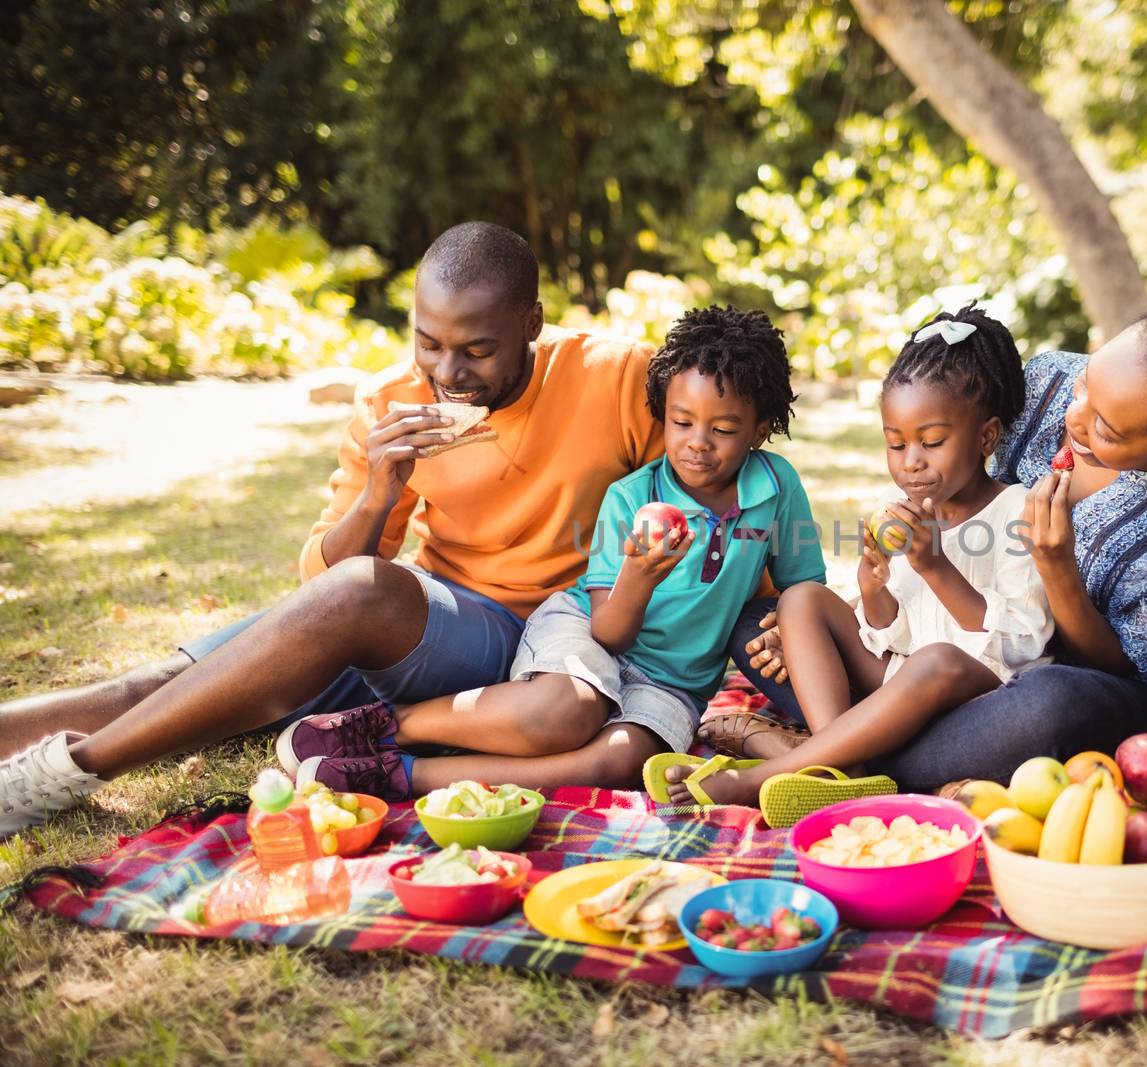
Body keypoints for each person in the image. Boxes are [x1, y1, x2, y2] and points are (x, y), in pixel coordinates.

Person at [0, 222, 663, 836]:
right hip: (421, 633)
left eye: (478, 350)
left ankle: (76, 767)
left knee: (360, 595)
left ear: (532, 324)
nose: (449, 375)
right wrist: (380, 490)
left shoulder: (617, 376)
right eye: (428, 343)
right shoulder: (389, 400)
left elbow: (703, 503)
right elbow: (319, 584)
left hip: (541, 643)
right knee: (166, 682)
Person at [717, 254, 1147, 791]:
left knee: (1048, 708)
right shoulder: (1044, 383)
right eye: (1086, 386)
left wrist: (1058, 569)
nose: (1074, 420)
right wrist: (848, 611)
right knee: (758, 621)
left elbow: (1120, 665)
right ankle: (856, 754)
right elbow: (953, 512)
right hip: (935, 649)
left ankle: (823, 755)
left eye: (1107, 429)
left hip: (1049, 682)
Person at [271, 306, 826, 799]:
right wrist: (637, 573)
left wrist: (781, 625)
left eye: (723, 429)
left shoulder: (777, 490)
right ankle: (395, 723)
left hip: (676, 682)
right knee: (561, 714)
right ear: (662, 415)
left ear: (761, 430)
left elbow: (802, 586)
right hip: (588, 628)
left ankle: (400, 775)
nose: (697, 442)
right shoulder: (632, 499)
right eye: (681, 423)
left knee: (622, 761)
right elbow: (609, 632)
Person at [665, 307, 1051, 807]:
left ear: (986, 437)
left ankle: (768, 773)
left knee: (934, 662)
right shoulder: (909, 517)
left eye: (932, 442)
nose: (911, 461)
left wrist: (936, 567)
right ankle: (838, 764)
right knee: (800, 600)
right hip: (901, 681)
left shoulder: (1018, 510)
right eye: (896, 444)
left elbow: (1021, 641)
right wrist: (873, 594)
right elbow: (897, 637)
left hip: (982, 691)